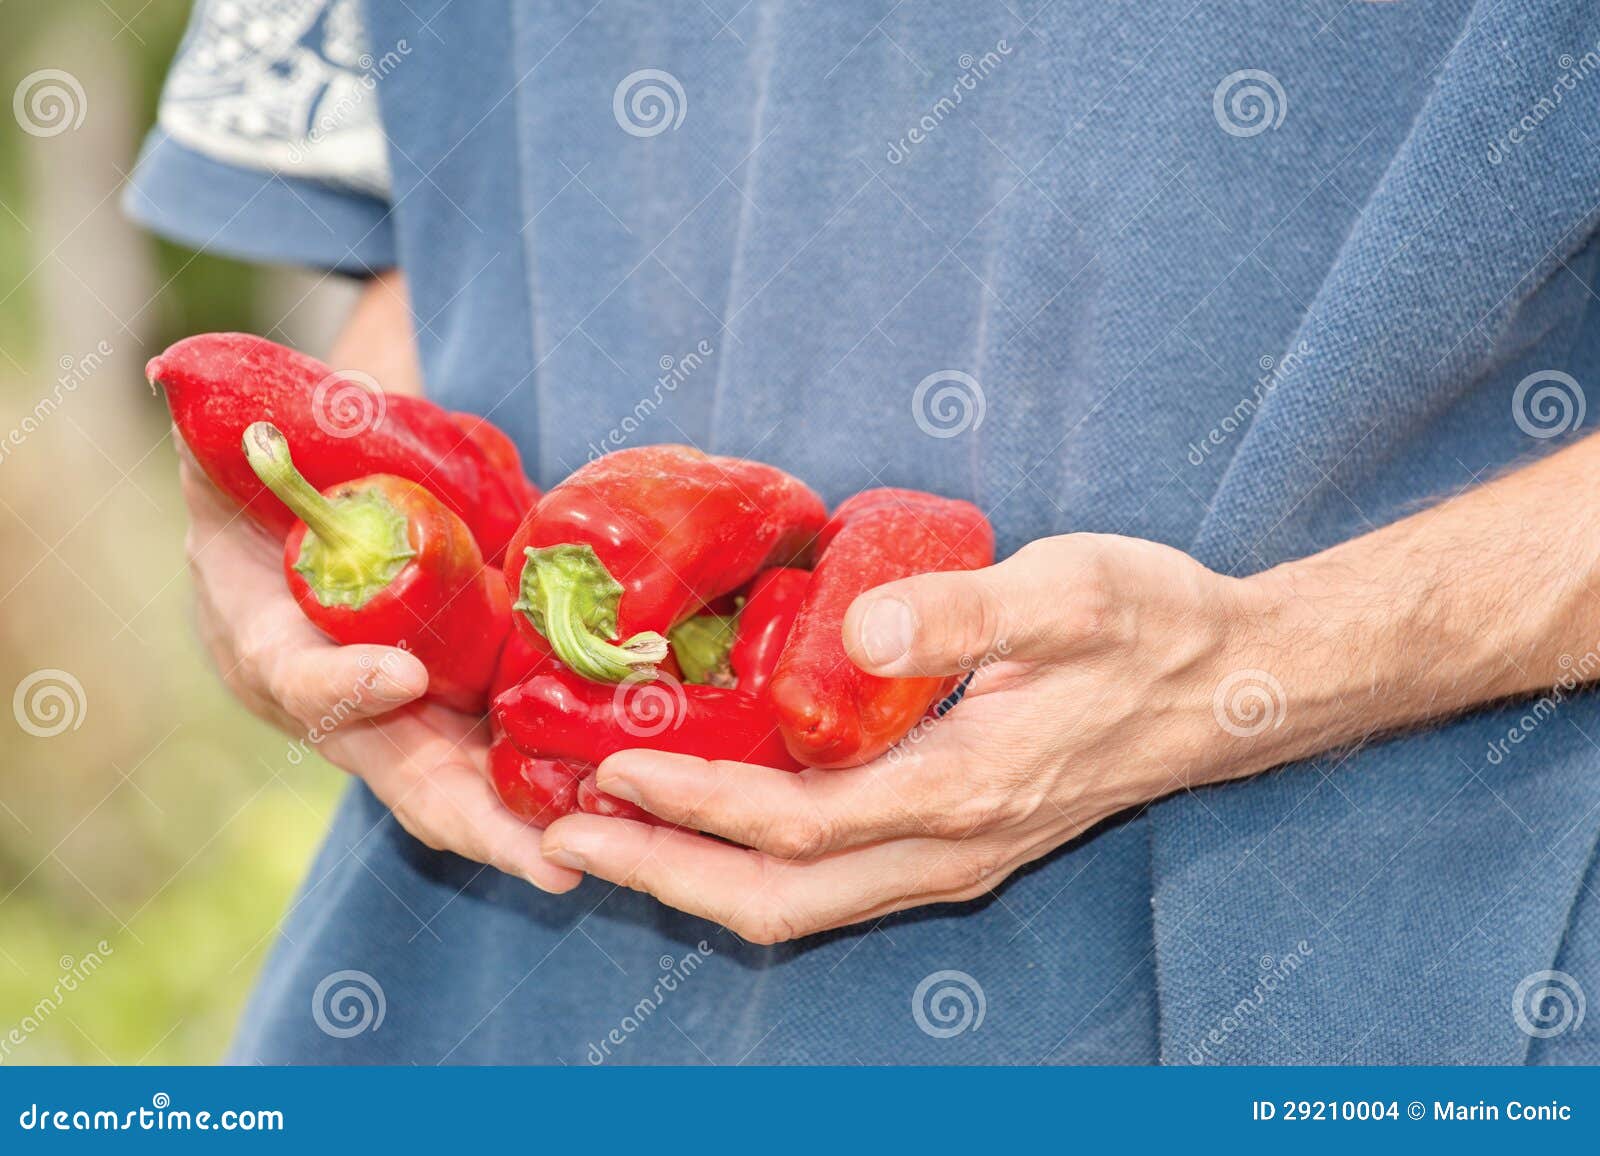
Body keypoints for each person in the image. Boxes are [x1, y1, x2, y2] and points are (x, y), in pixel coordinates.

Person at [126, 0, 1600, 1063]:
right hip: (481, 987)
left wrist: (1287, 659)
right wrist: (347, 528)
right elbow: (401, 209)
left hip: (1359, 992)